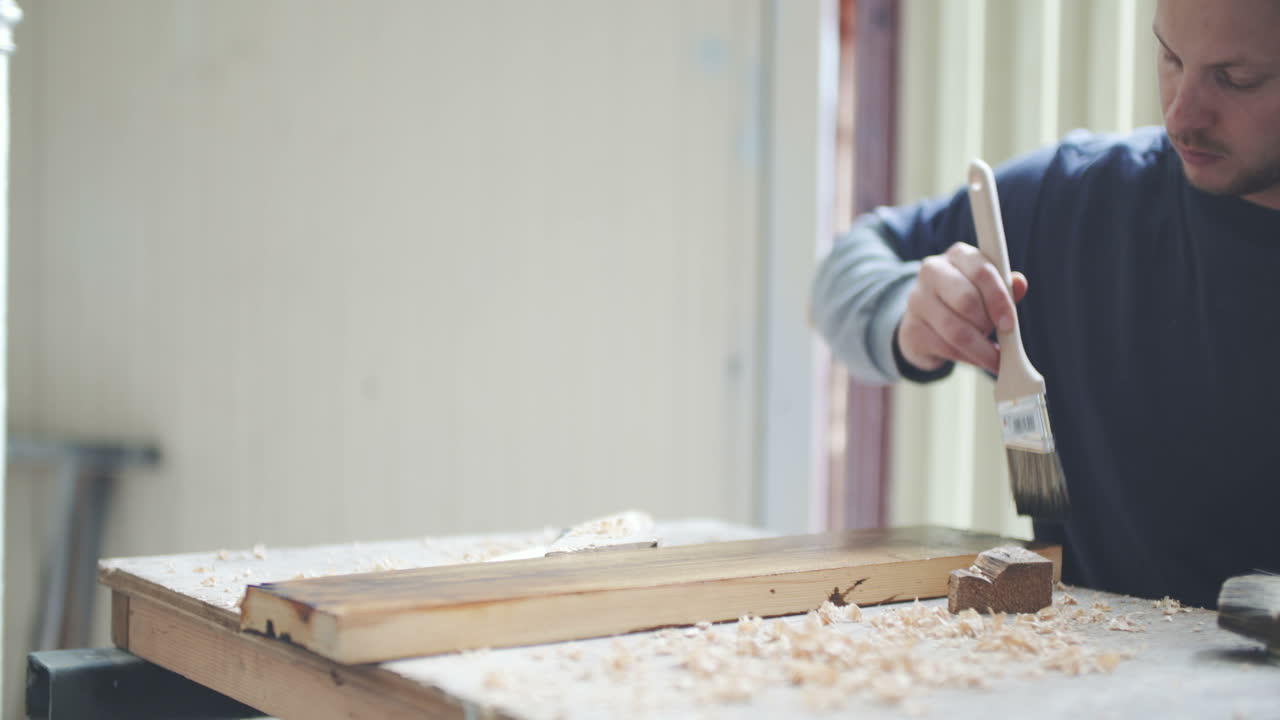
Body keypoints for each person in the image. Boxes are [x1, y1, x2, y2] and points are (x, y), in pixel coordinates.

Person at [811, 0, 1280, 609]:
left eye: (1236, 78)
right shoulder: (1075, 201)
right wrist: (904, 311)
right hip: (1088, 659)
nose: (1180, 116)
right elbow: (845, 268)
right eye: (1170, 58)